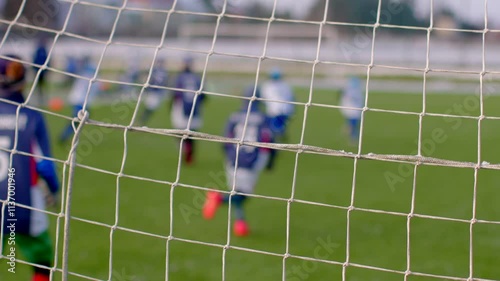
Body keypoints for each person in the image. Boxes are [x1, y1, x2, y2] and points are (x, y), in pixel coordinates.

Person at [0, 55, 59, 281]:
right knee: (42, 257)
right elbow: (44, 165)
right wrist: (54, 190)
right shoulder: (31, 116)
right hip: (23, 198)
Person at [202, 85, 275, 237]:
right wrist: (270, 162)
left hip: (233, 158)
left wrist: (229, 155)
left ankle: (240, 223)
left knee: (237, 191)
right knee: (243, 195)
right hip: (252, 160)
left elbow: (225, 139)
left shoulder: (234, 116)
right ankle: (218, 198)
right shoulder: (263, 118)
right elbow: (269, 141)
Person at [169, 56, 206, 164]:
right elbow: (203, 96)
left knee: (180, 130)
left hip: (181, 107)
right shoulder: (197, 78)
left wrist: (171, 105)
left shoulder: (179, 77)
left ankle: (185, 149)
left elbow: (175, 94)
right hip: (195, 108)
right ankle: (190, 155)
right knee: (192, 132)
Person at [59, 55, 101, 143]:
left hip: (82, 101)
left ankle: (66, 136)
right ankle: (64, 137)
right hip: (79, 100)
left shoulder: (89, 75)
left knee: (80, 120)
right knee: (77, 119)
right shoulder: (85, 75)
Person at [260, 67, 295, 141]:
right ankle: (279, 136)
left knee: (273, 127)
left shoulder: (267, 85)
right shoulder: (285, 85)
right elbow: (291, 97)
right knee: (278, 127)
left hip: (274, 110)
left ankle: (276, 138)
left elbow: (263, 98)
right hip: (285, 110)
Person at [139, 58, 169, 126]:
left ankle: (142, 120)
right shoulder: (161, 71)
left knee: (151, 106)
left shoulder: (155, 70)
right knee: (151, 107)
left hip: (155, 91)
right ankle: (142, 120)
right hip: (156, 91)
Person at [339, 76, 364, 145]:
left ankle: (348, 130)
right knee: (354, 125)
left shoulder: (355, 90)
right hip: (352, 111)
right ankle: (352, 138)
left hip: (355, 110)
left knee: (353, 124)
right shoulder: (351, 91)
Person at [32, 37, 50, 106]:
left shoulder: (44, 50)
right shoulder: (38, 50)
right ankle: (37, 98)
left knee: (43, 85)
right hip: (37, 70)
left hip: (43, 71)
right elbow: (35, 59)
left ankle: (42, 98)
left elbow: (47, 60)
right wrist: (34, 68)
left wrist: (47, 68)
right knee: (37, 85)